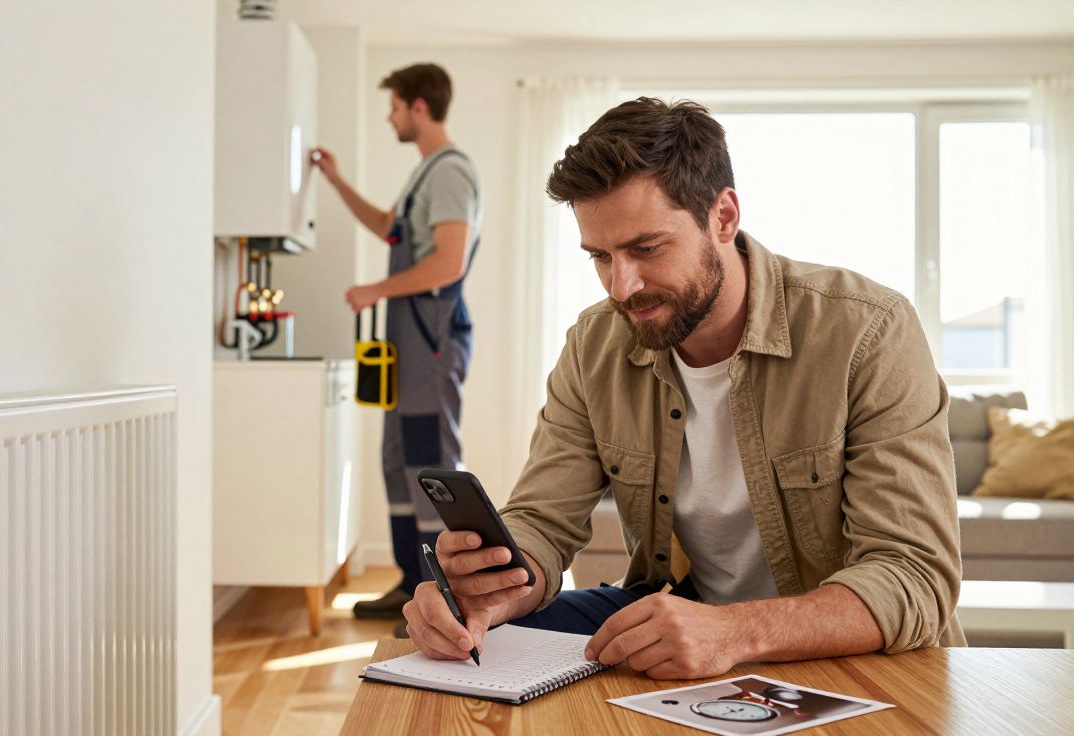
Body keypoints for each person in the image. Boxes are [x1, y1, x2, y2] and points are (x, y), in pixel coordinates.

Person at [402, 97, 964, 678]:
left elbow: (913, 575)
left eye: (647, 249)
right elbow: (542, 524)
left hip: (834, 644)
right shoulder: (593, 345)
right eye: (600, 256)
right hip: (679, 610)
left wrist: (733, 631)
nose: (622, 286)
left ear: (723, 216)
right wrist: (490, 590)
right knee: (479, 644)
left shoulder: (868, 330)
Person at [311, 63, 483, 630]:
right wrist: (335, 183)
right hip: (406, 343)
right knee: (397, 462)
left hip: (430, 341)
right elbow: (389, 225)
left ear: (418, 107)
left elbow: (448, 262)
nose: (389, 115)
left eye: (393, 106)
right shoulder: (424, 174)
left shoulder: (451, 172)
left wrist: (373, 290)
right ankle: (413, 584)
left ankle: (443, 596)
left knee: (429, 464)